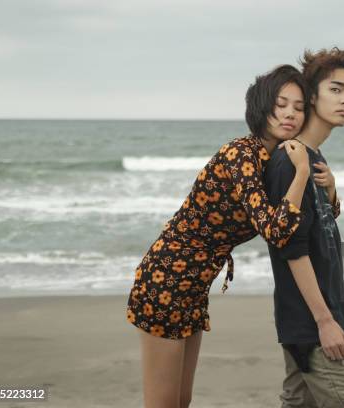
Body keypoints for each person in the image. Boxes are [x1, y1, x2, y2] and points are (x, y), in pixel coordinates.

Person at [126, 64, 312, 408]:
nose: (290, 114)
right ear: (262, 106)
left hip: (194, 286)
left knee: (181, 401)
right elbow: (276, 230)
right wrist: (303, 171)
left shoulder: (272, 160)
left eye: (299, 108)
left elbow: (303, 218)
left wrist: (329, 190)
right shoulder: (242, 154)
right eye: (282, 103)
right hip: (167, 279)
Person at [264, 47, 344, 408]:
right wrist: (324, 321)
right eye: (336, 90)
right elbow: (292, 247)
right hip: (313, 324)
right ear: (311, 96)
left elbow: (320, 228)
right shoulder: (290, 160)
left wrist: (333, 190)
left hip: (313, 318)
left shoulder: (313, 159)